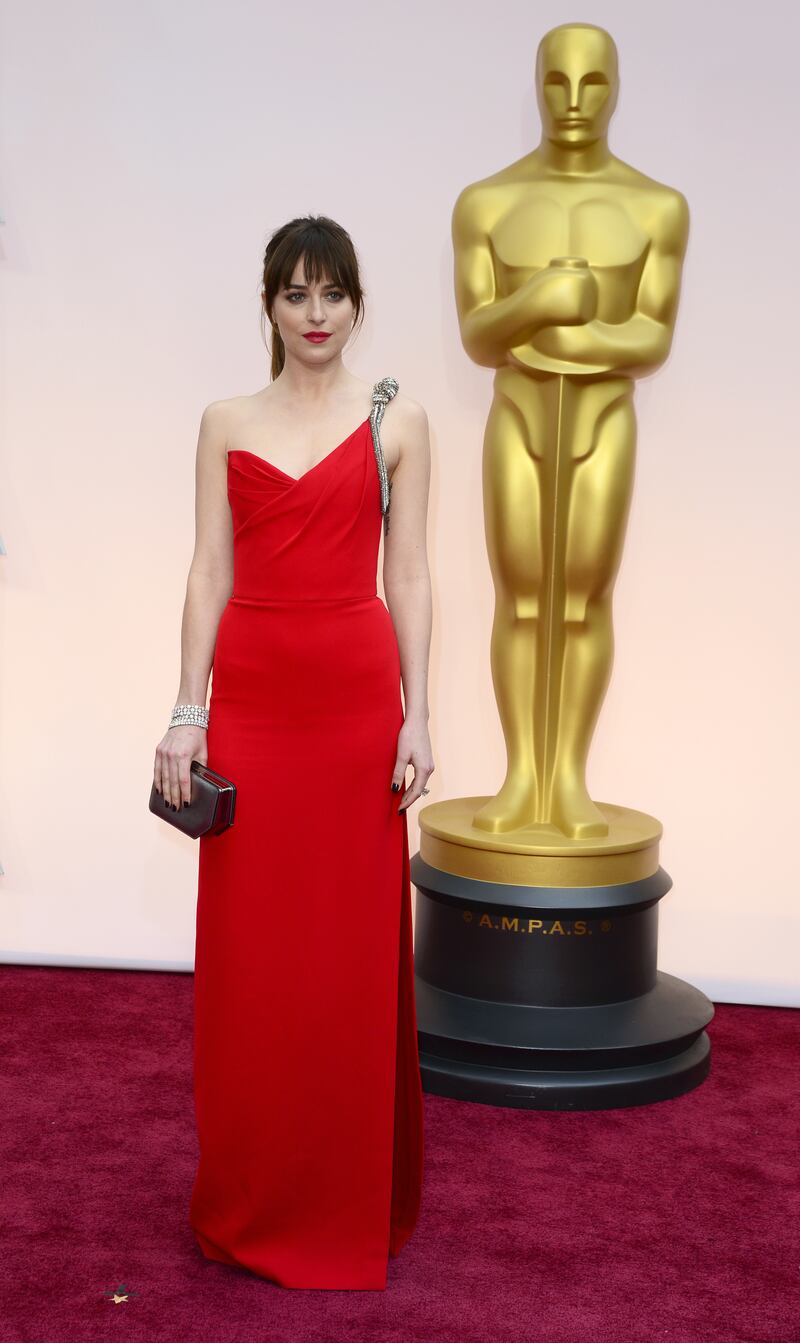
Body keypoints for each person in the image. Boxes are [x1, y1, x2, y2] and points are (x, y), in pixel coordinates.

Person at [152, 215, 434, 1290]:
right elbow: (206, 573)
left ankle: (339, 1192)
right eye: (294, 294)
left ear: (357, 303)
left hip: (357, 705)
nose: (315, 315)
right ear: (267, 305)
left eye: (333, 293)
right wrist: (189, 710)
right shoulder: (225, 420)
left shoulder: (397, 417)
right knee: (254, 960)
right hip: (257, 704)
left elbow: (408, 575)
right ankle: (254, 1192)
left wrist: (418, 712)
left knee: (347, 959)